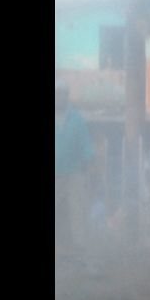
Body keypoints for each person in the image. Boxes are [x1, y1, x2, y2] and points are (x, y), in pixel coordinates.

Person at [55, 80, 94, 255]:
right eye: (57, 93)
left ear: (67, 96)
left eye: (62, 93)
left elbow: (85, 143)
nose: (59, 97)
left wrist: (89, 164)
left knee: (77, 209)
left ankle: (80, 246)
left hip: (74, 172)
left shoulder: (76, 118)